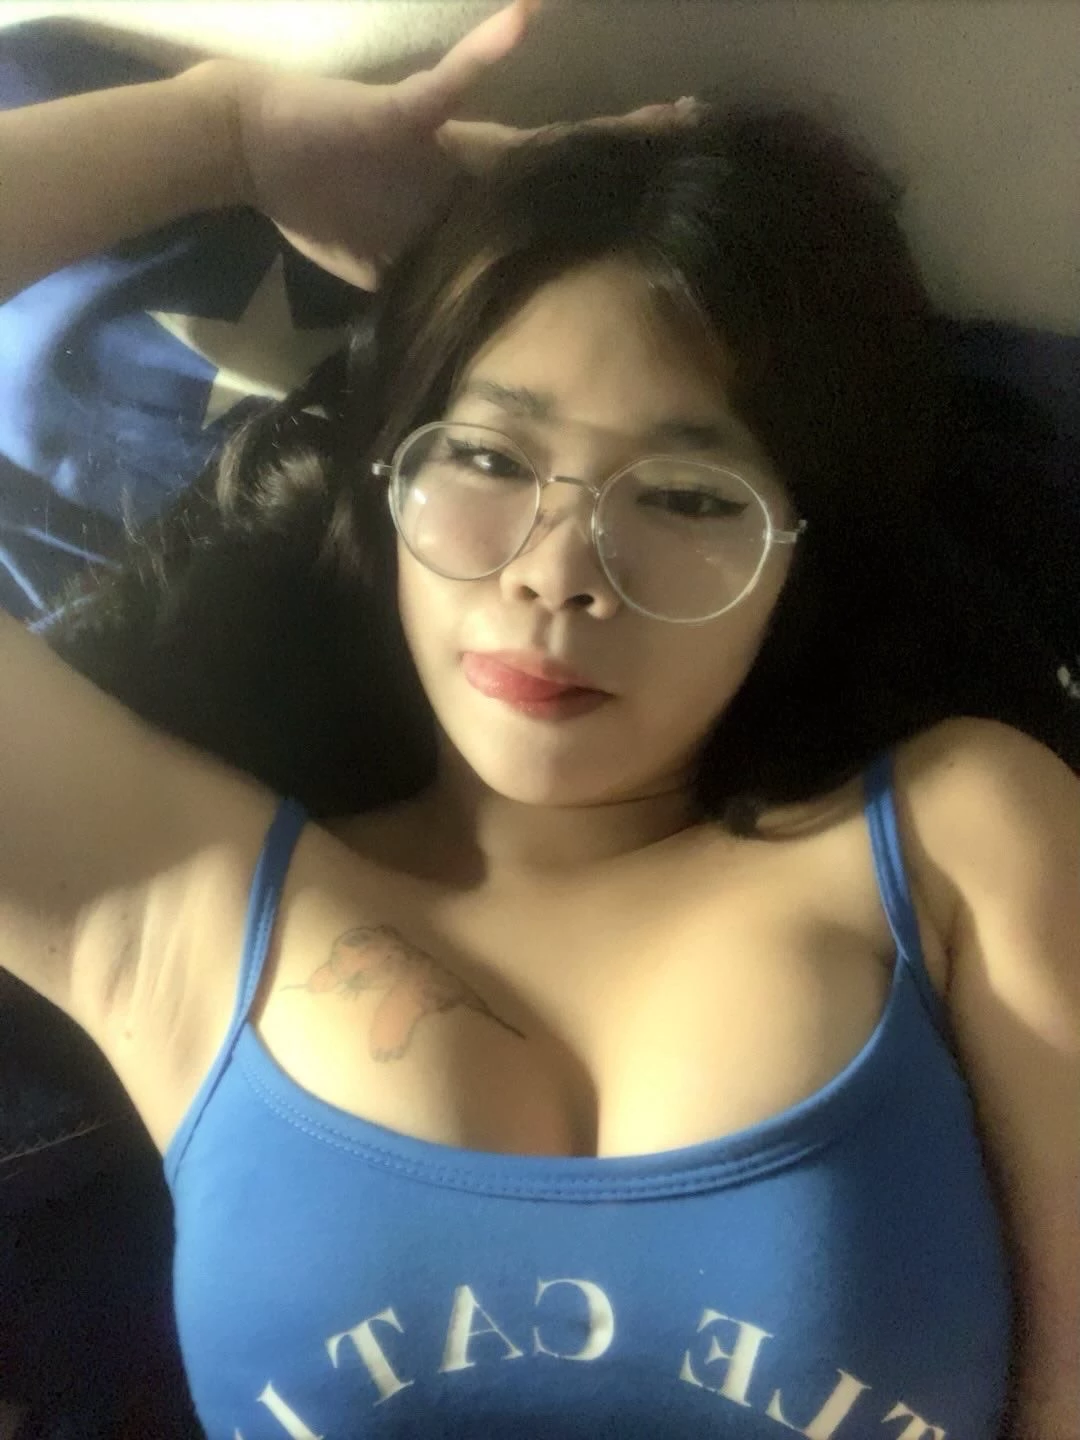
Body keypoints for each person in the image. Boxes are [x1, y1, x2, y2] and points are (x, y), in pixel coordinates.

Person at [1, 2, 1077, 1436]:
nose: (558, 572)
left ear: (802, 555)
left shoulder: (961, 839)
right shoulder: (180, 902)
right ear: (385, 482)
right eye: (491, 458)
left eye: (686, 496)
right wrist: (229, 135)